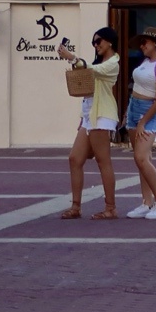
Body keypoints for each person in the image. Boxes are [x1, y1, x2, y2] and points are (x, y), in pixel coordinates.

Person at [60, 27, 120, 219]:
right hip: (89, 116)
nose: (96, 45)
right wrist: (82, 118)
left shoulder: (113, 62)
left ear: (110, 41)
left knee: (103, 161)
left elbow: (93, 70)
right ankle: (76, 207)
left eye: (99, 41)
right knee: (74, 158)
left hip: (102, 115)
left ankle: (110, 208)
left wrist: (72, 57)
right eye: (93, 42)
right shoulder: (98, 62)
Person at [125, 27, 156, 219]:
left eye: (145, 42)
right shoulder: (145, 62)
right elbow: (136, 86)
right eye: (141, 43)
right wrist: (129, 113)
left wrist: (143, 121)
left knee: (141, 157)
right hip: (133, 109)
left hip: (148, 112)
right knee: (140, 160)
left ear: (155, 44)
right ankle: (146, 202)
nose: (142, 46)